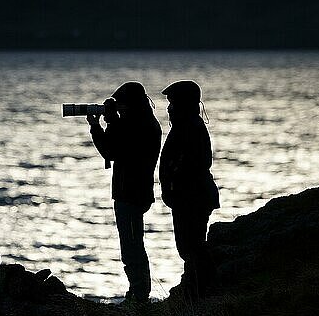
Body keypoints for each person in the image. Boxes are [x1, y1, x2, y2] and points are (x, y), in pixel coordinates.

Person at [86, 81, 162, 304]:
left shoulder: (140, 126)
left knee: (132, 247)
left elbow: (112, 150)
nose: (119, 109)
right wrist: (101, 126)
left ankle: (139, 296)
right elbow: (113, 149)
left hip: (132, 194)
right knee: (132, 245)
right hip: (132, 193)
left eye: (122, 105)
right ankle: (137, 292)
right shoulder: (140, 122)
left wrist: (109, 123)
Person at [159, 80, 220, 299]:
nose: (168, 108)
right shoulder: (186, 126)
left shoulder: (190, 128)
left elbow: (194, 164)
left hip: (192, 198)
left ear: (182, 104)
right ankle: (198, 290)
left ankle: (203, 290)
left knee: (191, 246)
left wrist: (174, 180)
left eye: (172, 103)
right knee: (189, 246)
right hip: (187, 197)